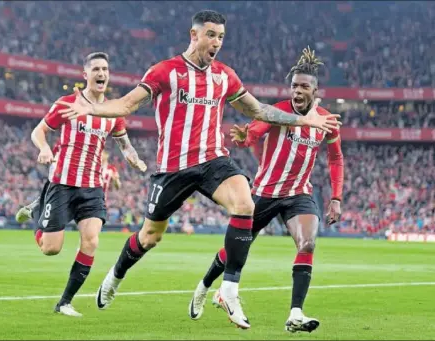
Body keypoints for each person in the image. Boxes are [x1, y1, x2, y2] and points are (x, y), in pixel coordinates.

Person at [56, 10, 341, 329]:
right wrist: (92, 108)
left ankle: (229, 291)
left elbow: (258, 109)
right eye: (210, 35)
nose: (216, 42)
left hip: (213, 160)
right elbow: (126, 105)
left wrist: (304, 119)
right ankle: (116, 274)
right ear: (194, 36)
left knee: (245, 203)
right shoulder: (165, 71)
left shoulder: (225, 76)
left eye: (220, 36)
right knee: (150, 236)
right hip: (173, 168)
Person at [189, 47, 344, 333]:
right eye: (294, 85)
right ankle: (204, 285)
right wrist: (243, 137)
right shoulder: (277, 112)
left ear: (316, 90)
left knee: (307, 243)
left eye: (304, 86)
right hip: (263, 194)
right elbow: (253, 133)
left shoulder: (326, 122)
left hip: (298, 195)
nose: (297, 90)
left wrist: (335, 197)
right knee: (234, 249)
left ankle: (295, 314)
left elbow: (335, 158)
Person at [31, 52, 146, 317]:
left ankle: (65, 303)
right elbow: (39, 131)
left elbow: (124, 143)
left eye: (104, 69)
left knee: (91, 242)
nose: (101, 73)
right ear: (85, 75)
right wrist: (45, 147)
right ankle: (38, 211)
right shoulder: (67, 103)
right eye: (95, 69)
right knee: (51, 248)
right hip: (62, 182)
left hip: (92, 187)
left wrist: (133, 157)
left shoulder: (112, 112)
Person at [15, 139, 61, 224]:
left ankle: (35, 207)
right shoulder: (67, 141)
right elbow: (38, 132)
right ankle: (32, 211)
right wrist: (44, 148)